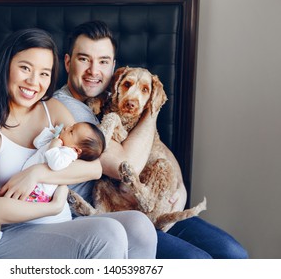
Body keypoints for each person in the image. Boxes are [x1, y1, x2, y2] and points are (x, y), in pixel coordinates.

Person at [54, 20, 249, 259]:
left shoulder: (113, 96)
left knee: (234, 254)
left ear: (114, 67)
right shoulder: (66, 109)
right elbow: (127, 167)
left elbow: (157, 148)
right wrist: (152, 108)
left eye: (103, 61)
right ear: (67, 62)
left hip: (147, 206)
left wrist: (180, 188)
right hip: (107, 214)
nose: (94, 71)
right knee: (198, 261)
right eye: (84, 59)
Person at [0, 28, 157, 259]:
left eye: (44, 73)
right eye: (25, 68)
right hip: (9, 230)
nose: (34, 82)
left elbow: (94, 168)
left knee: (139, 225)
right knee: (107, 232)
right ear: (5, 66)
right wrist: (52, 207)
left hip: (58, 221)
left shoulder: (51, 109)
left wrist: (36, 174)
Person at [0, 121, 106, 249]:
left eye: (71, 131)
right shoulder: (59, 144)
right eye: (71, 127)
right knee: (3, 201)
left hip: (38, 192)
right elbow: (37, 142)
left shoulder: (68, 154)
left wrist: (54, 146)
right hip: (30, 187)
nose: (67, 128)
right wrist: (51, 135)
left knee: (7, 202)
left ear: (77, 150)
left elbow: (55, 164)